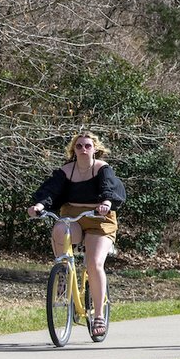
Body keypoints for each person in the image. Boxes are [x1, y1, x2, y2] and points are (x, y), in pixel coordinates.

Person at [27, 130, 126, 337]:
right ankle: (63, 272)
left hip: (100, 218)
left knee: (94, 264)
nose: (83, 149)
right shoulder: (66, 171)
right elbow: (50, 191)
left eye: (87, 146)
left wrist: (106, 203)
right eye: (79, 146)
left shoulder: (101, 168)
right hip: (74, 214)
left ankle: (98, 315)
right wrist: (38, 206)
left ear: (95, 149)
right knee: (59, 228)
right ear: (73, 149)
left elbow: (109, 188)